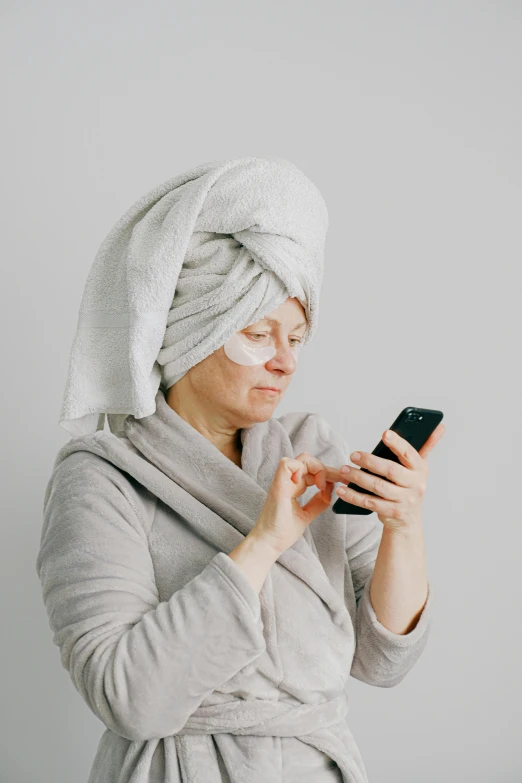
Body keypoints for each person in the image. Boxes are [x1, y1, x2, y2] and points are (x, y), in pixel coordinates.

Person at [36, 157, 434, 783]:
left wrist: (403, 526)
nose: (284, 363)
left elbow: (384, 661)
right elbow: (129, 698)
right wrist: (266, 541)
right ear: (191, 331)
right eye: (258, 333)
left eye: (296, 339)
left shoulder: (311, 447)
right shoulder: (101, 477)